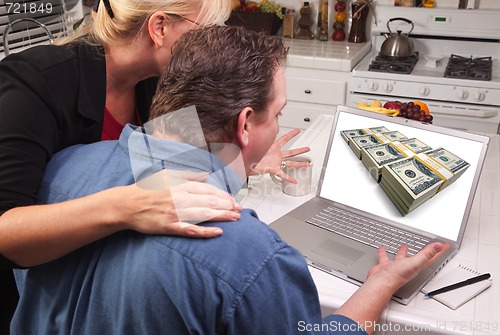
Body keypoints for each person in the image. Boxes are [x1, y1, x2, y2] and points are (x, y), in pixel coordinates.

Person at [12, 25, 449, 335]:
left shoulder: (62, 169)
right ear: (244, 124)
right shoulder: (251, 257)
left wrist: (241, 163)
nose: (278, 124)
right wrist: (382, 283)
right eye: (277, 114)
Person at [0, 0, 308, 331]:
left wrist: (244, 157)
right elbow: (6, 230)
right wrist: (128, 205)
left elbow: (186, 154)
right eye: (205, 30)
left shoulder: (158, 82)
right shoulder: (36, 84)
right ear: (159, 27)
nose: (213, 42)